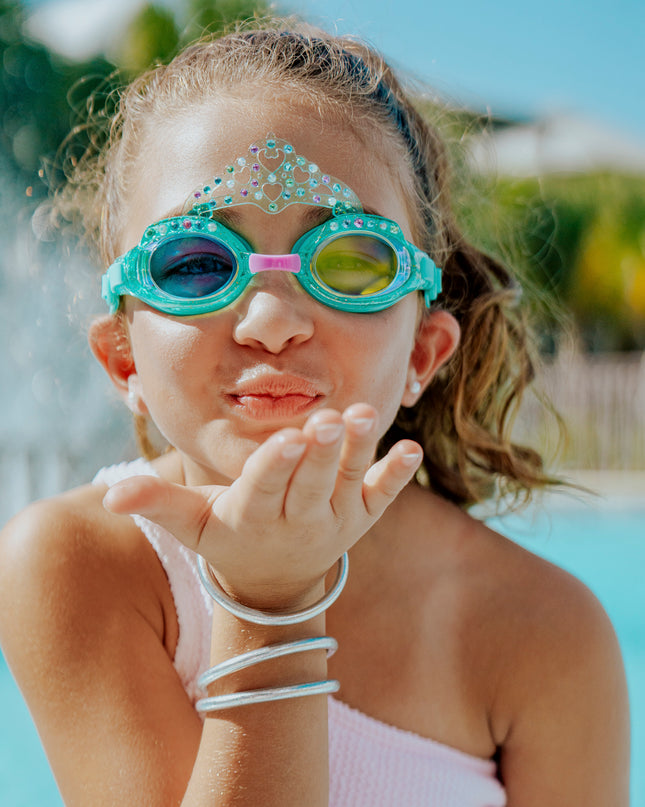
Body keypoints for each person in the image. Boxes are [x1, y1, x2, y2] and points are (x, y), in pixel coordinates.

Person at [0, 22, 630, 807]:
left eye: (347, 263)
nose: (269, 319)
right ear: (124, 359)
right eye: (195, 264)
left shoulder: (544, 633)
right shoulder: (78, 564)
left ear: (421, 355)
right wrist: (270, 608)